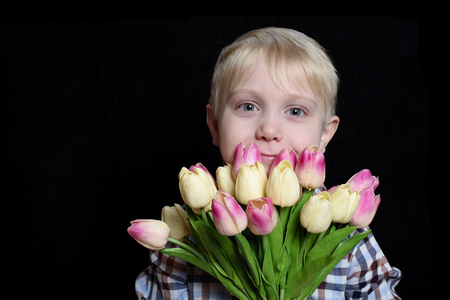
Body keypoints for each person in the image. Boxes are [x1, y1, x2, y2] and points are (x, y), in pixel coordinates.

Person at [135, 27, 402, 300]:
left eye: (295, 111)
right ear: (214, 124)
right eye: (248, 106)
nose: (269, 129)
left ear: (325, 135)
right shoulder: (184, 235)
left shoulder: (345, 231)